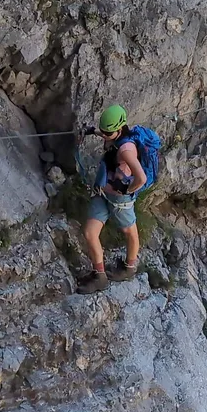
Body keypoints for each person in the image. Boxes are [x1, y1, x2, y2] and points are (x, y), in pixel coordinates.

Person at [77, 104, 154, 294]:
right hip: (103, 192)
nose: (104, 136)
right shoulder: (115, 134)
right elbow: (106, 132)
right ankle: (100, 275)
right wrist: (91, 130)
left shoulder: (126, 150)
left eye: (107, 133)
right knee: (89, 233)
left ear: (119, 129)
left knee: (130, 232)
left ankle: (129, 268)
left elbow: (141, 178)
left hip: (120, 200)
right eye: (102, 132)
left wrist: (128, 189)